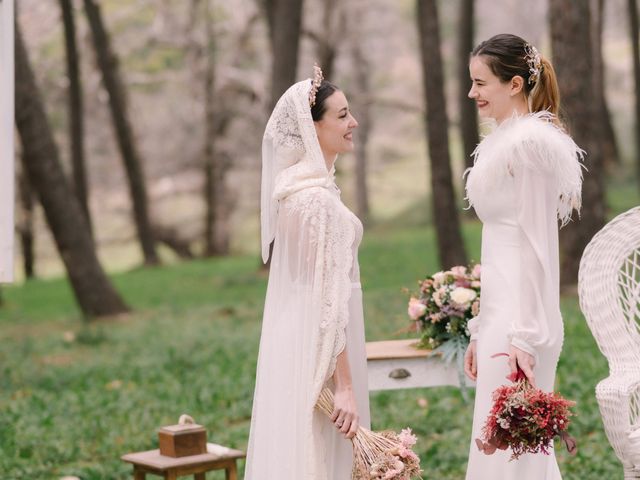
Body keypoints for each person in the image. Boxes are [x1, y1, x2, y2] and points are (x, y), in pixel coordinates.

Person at [462, 34, 583, 479]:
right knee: (504, 454)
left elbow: (536, 245)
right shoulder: (499, 143)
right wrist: (479, 326)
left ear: (514, 84)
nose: (472, 93)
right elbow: (497, 244)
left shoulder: (531, 144)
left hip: (523, 319)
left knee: (518, 457)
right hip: (500, 315)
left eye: (480, 83)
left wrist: (525, 336)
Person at [244, 66, 371, 480]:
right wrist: (346, 387)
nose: (352, 123)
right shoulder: (316, 202)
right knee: (323, 451)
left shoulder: (296, 191)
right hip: (323, 348)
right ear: (311, 126)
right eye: (341, 115)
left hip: (293, 339)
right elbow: (329, 302)